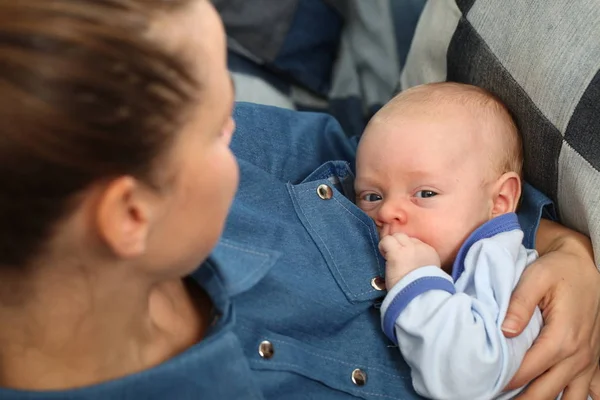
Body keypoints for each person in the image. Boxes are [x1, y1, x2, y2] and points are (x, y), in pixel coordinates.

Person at [0, 1, 597, 399]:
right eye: (214, 131)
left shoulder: (250, 165)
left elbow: (376, 151)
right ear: (132, 215)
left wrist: (559, 246)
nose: (237, 132)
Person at [355, 82, 541, 399]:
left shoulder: (496, 261)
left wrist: (415, 281)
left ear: (499, 201)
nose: (386, 211)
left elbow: (467, 380)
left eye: (425, 193)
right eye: (372, 196)